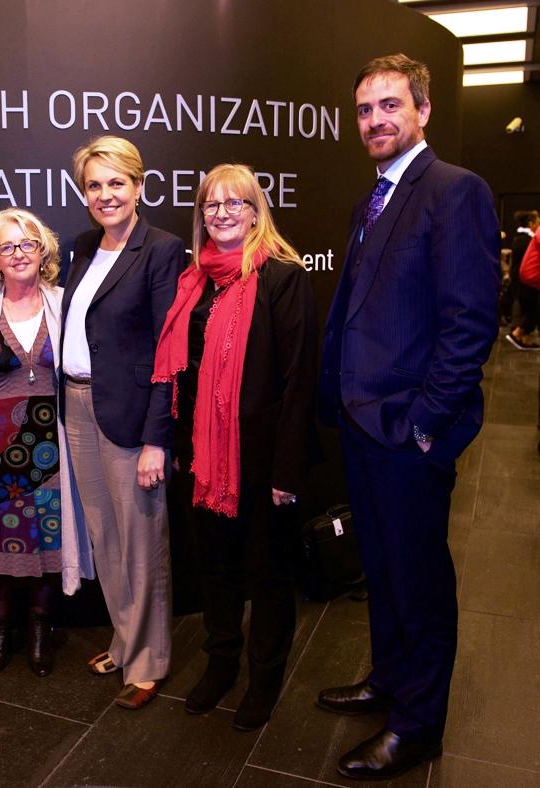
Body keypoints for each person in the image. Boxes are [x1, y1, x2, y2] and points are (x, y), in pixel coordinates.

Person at [318, 54, 499, 780]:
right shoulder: (377, 195)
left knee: (418, 579)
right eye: (364, 110)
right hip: (364, 425)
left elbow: (468, 323)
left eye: (390, 105)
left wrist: (425, 421)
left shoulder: (454, 191)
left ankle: (419, 725)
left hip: (407, 430)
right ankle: (390, 681)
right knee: (384, 568)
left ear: (422, 110)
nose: (375, 121)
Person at [153, 164, 317, 731]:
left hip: (261, 459)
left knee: (267, 576)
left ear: (255, 211)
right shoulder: (194, 280)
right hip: (204, 460)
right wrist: (179, 445)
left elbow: (300, 379)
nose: (221, 213)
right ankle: (220, 665)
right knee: (215, 570)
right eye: (211, 205)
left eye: (234, 203)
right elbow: (183, 374)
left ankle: (264, 681)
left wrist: (286, 470)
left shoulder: (283, 278)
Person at [60, 135, 184, 710]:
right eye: (94, 184)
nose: (105, 194)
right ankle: (124, 638)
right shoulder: (83, 246)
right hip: (79, 407)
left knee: (140, 541)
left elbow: (169, 349)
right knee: (105, 538)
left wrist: (158, 438)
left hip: (132, 417)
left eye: (116, 182)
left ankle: (149, 660)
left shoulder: (161, 249)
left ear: (139, 185)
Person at [0, 208, 93, 679]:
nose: (18, 254)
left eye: (27, 244)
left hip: (54, 444)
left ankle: (39, 631)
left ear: (43, 250)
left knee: (49, 541)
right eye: (6, 246)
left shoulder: (63, 301)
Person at [505, 210, 540, 350]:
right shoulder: (528, 237)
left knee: (531, 307)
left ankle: (524, 337)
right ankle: (518, 333)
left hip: (526, 276)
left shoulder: (525, 237)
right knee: (534, 309)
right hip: (531, 276)